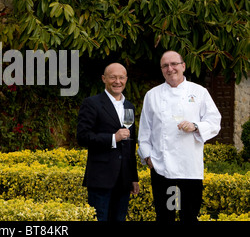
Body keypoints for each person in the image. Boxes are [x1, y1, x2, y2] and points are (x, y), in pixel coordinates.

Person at [138, 51, 221, 222]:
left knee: (189, 216)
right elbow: (145, 131)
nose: (170, 68)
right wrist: (147, 157)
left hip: (189, 168)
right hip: (162, 169)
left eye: (174, 64)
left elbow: (214, 122)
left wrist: (196, 126)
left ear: (183, 66)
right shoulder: (152, 95)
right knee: (165, 216)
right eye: (165, 66)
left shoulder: (199, 92)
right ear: (162, 70)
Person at [77, 63, 139, 221]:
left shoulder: (129, 107)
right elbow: (82, 137)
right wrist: (113, 138)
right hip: (101, 178)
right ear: (104, 79)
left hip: (124, 180)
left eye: (121, 77)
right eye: (113, 77)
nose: (117, 81)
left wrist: (133, 177)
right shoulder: (92, 103)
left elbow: (130, 146)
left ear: (126, 79)